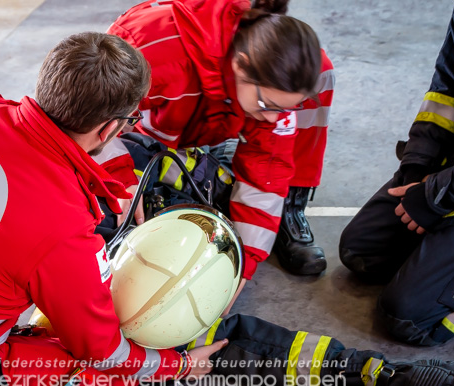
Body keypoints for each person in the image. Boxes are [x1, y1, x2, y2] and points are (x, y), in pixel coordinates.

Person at [0, 28, 454, 386]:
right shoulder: (58, 232)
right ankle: (383, 378)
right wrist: (171, 366)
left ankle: (379, 378)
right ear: (113, 127)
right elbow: (105, 350)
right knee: (156, 334)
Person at [96, 0, 335, 293]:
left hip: (213, 119)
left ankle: (291, 206)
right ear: (241, 64)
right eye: (267, 106)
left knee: (323, 76)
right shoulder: (150, 47)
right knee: (111, 213)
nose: (274, 117)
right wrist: (120, 180)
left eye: (283, 109)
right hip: (141, 133)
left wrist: (240, 270)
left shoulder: (279, 79)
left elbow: (266, 170)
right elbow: (92, 124)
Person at [339, 0, 454, 346]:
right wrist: (417, 167)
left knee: (408, 316)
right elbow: (446, 87)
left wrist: (438, 194)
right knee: (363, 252)